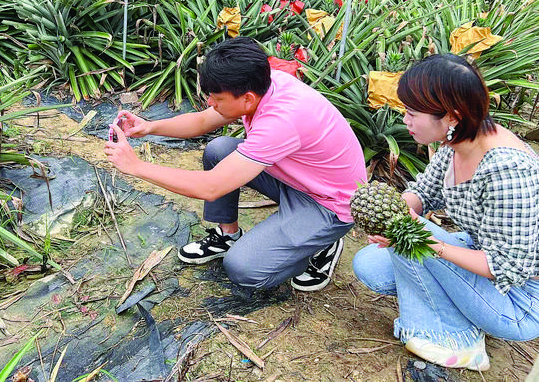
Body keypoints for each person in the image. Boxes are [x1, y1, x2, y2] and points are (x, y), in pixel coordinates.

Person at [104, 37, 366, 292]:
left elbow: (211, 188)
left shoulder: (281, 121)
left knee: (244, 268)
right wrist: (150, 127)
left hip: (328, 204)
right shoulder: (262, 83)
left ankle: (320, 244)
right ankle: (228, 234)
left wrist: (136, 166)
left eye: (216, 98)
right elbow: (202, 121)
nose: (210, 102)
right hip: (299, 179)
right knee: (219, 150)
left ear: (247, 99)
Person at [352, 53, 539, 372]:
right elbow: (422, 193)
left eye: (412, 112)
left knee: (406, 239)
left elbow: (506, 268)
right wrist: (390, 208)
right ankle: (459, 306)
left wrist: (425, 242)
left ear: (451, 116)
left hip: (518, 301)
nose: (405, 120)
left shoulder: (507, 172)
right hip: (479, 251)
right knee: (370, 265)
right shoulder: (461, 142)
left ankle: (460, 338)